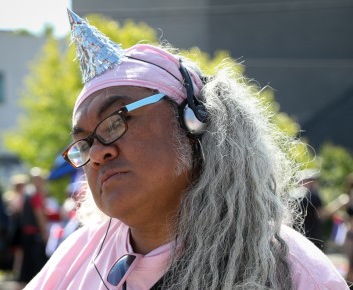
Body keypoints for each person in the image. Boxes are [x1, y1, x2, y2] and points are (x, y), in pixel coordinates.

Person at [25, 9, 348, 289]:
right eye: (85, 142)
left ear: (194, 122)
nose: (96, 154)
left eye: (116, 121)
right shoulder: (76, 256)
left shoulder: (290, 272)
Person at [18, 168, 49, 288]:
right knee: (36, 263)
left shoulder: (28, 193)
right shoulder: (35, 195)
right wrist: (44, 232)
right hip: (34, 234)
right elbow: (39, 215)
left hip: (26, 233)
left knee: (27, 263)